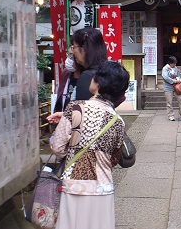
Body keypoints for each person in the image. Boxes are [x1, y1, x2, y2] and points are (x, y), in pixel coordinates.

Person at [50, 61, 129, 228]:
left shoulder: (75, 108)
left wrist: (74, 150)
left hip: (74, 184)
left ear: (99, 82)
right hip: (103, 187)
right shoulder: (118, 121)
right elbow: (114, 158)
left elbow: (58, 148)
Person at [48, 27, 108, 121]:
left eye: (73, 47)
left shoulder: (87, 77)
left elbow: (81, 117)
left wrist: (67, 118)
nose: (72, 51)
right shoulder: (106, 72)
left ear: (84, 48)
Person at [162, 56, 181, 121]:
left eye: (175, 63)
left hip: (176, 87)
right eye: (173, 63)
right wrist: (175, 81)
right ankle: (170, 115)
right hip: (168, 87)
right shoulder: (165, 69)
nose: (175, 65)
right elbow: (166, 78)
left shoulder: (176, 69)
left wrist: (179, 79)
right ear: (170, 63)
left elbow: (178, 76)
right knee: (169, 102)